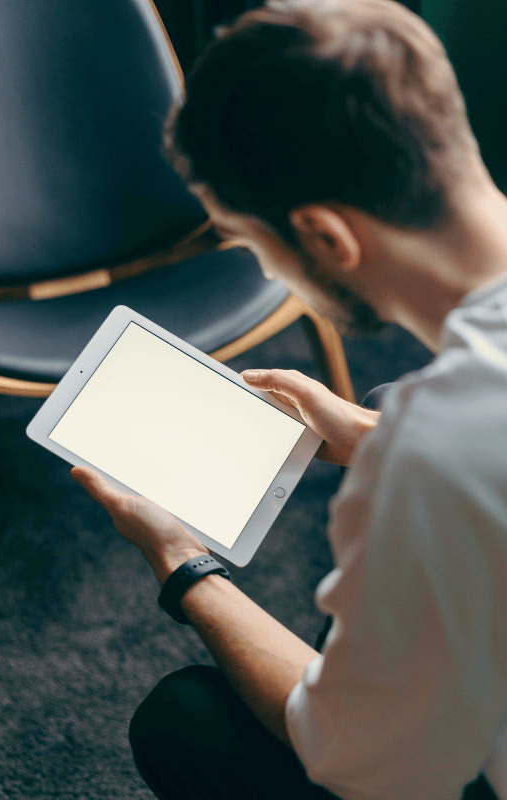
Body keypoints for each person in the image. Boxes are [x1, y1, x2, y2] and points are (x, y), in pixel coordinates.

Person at [70, 1, 507, 798]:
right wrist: (374, 434)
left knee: (188, 720)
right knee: (384, 399)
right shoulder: (445, 424)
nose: (269, 273)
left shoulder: (434, 452)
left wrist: (181, 564)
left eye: (257, 246)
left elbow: (373, 769)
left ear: (324, 237)